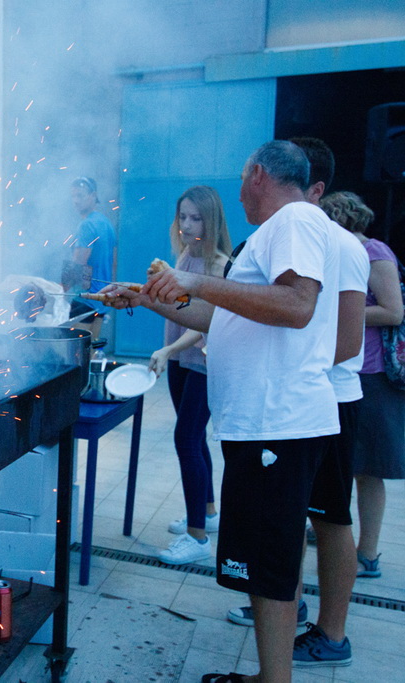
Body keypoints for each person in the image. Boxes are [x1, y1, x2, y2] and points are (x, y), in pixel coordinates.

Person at [99, 141, 342, 683]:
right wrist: (144, 296)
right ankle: (268, 676)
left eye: (240, 178)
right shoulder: (278, 233)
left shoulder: (296, 218)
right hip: (267, 424)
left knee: (268, 567)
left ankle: (272, 680)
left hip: (277, 423)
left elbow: (298, 306)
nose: (238, 190)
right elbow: (216, 316)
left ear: (256, 174)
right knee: (267, 561)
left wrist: (194, 279)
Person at [225, 139, 369, 669]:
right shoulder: (274, 235)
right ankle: (286, 621)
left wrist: (289, 366)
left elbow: (337, 338)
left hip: (312, 406)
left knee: (322, 522)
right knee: (282, 539)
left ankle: (327, 633)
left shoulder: (315, 232)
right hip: (289, 410)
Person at [146, 186, 232, 565]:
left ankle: (197, 539)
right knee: (194, 440)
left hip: (202, 362)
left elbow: (206, 324)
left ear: (211, 220)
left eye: (196, 217)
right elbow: (177, 306)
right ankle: (208, 513)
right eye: (182, 216)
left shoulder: (218, 264)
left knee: (186, 439)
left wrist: (168, 349)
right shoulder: (183, 257)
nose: (187, 224)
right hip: (181, 363)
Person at [322, 191, 404, 583]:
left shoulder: (374, 253)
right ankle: (332, 530)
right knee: (344, 465)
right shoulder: (340, 255)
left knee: (369, 470)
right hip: (347, 372)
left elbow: (393, 310)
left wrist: (342, 309)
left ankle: (367, 552)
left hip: (371, 376)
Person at [66, 176, 117, 338]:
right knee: (92, 350)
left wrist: (62, 290)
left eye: (80, 195)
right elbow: (113, 262)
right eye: (73, 196)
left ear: (93, 195)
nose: (75, 201)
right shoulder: (106, 223)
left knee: (75, 352)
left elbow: (78, 263)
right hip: (101, 299)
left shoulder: (86, 225)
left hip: (84, 299)